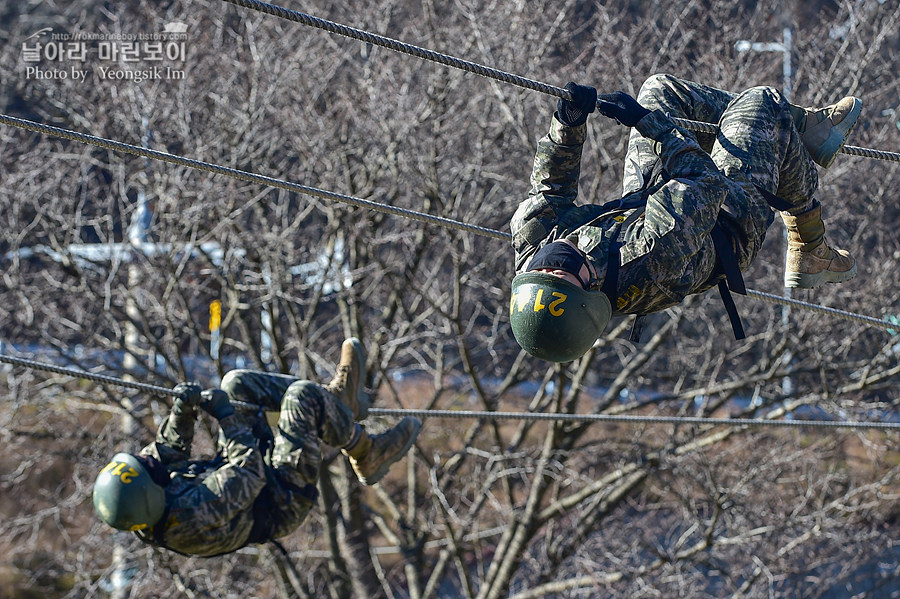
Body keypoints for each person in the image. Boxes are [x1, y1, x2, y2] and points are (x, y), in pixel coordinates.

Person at [509, 74, 861, 362]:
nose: (550, 267)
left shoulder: (531, 250)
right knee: (762, 103)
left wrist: (568, 126)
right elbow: (702, 181)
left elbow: (550, 190)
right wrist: (649, 125)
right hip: (728, 216)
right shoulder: (653, 257)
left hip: (652, 200)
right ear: (591, 293)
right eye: (560, 278)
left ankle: (796, 126)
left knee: (659, 91)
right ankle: (809, 240)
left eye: (541, 273)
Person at [92, 338, 421, 557]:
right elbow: (247, 471)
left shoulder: (145, 502)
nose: (148, 462)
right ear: (150, 495)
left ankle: (337, 404)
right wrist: (226, 417)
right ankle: (365, 450)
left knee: (236, 384)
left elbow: (165, 455)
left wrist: (183, 413)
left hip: (247, 471)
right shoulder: (191, 516)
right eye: (145, 469)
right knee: (302, 397)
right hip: (280, 495)